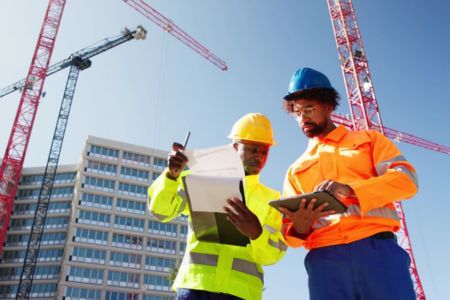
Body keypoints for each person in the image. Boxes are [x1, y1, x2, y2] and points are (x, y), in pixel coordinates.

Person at [278, 67, 419, 300]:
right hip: (324, 262)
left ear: (329, 106)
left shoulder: (369, 140)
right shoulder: (295, 170)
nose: (302, 116)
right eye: (297, 111)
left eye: (309, 108)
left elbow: (407, 180)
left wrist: (352, 190)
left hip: (377, 252)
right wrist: (301, 227)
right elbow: (289, 234)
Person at [148, 113, 286, 300]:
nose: (259, 157)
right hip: (195, 286)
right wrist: (171, 176)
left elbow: (273, 254)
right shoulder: (202, 180)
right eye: (253, 149)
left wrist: (257, 233)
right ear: (235, 147)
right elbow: (160, 211)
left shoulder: (272, 199)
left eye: (264, 151)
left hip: (241, 294)